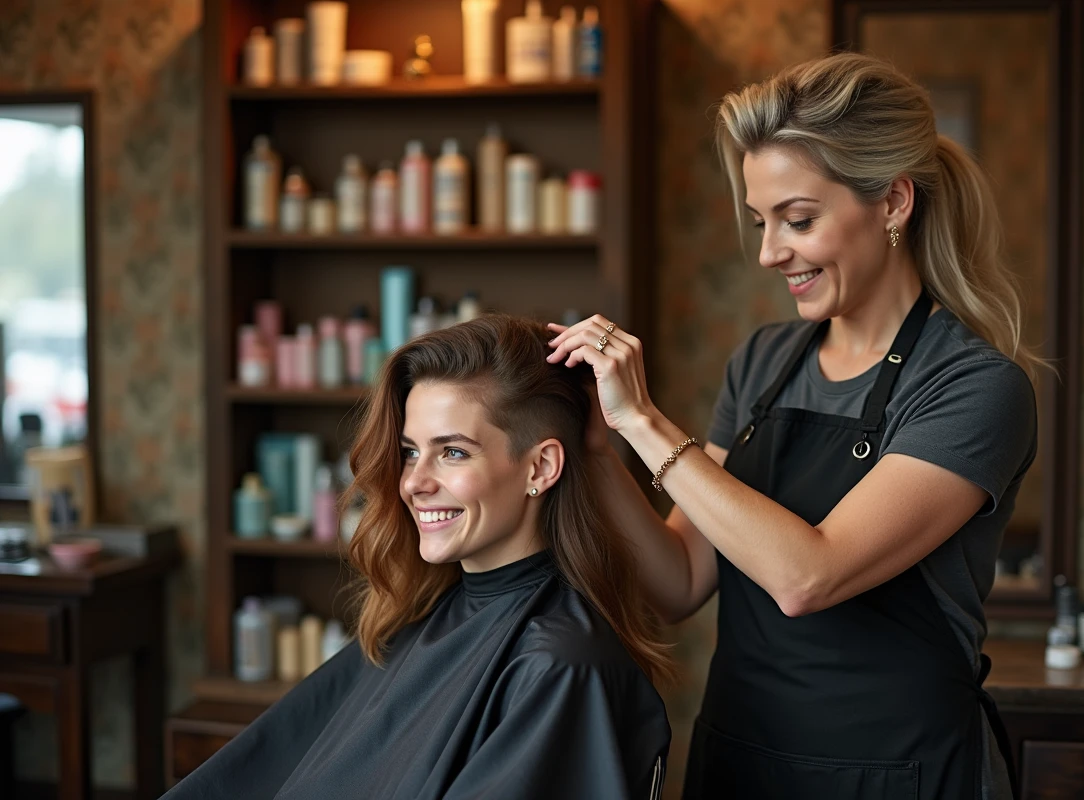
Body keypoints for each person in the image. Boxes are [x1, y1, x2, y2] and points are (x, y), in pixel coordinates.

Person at [547, 52, 1038, 800]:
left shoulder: (973, 386)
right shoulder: (765, 361)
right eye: (761, 222)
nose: (771, 252)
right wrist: (597, 449)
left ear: (894, 202)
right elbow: (679, 579)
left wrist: (643, 422)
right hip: (743, 763)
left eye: (797, 220)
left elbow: (811, 575)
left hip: (899, 775)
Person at [166, 315, 671, 800]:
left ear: (540, 466)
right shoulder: (423, 614)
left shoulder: (559, 666)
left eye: (452, 452)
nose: (413, 483)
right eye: (411, 451)